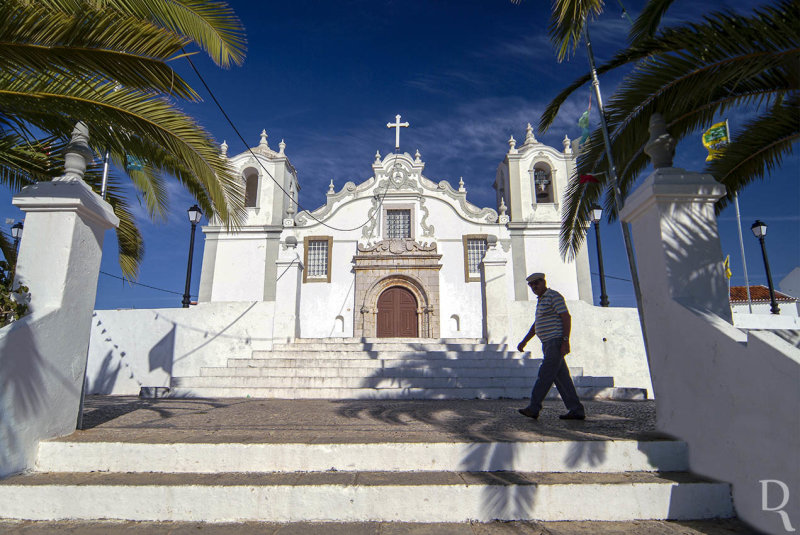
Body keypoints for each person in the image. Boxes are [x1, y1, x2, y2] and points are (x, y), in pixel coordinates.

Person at [516, 272, 586, 420]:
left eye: (537, 282)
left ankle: (534, 407)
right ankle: (576, 409)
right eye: (532, 284)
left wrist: (565, 340)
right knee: (562, 380)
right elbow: (537, 325)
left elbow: (566, 317)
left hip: (555, 342)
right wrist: (525, 341)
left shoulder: (554, 296)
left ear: (544, 282)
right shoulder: (541, 300)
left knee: (545, 375)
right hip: (547, 344)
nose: (535, 286)